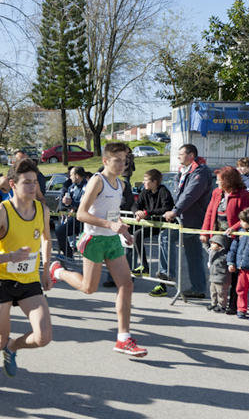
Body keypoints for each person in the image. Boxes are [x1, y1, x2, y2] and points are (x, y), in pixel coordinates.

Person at [48, 142, 147, 357]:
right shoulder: (97, 181)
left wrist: (123, 231)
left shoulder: (121, 184)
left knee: (126, 284)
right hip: (93, 240)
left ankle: (123, 338)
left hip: (112, 241)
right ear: (105, 161)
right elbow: (81, 214)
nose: (121, 165)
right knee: (89, 288)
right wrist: (110, 225)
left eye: (124, 161)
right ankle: (58, 271)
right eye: (117, 160)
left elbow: (112, 213)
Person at [0, 159, 53, 399]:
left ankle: (13, 346)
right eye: (26, 182)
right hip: (2, 281)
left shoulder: (42, 210)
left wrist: (45, 269)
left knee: (43, 337)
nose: (32, 187)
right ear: (12, 185)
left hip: (29, 281)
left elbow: (46, 239)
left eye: (35, 182)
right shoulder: (2, 212)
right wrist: (10, 257)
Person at [190, 166, 249, 309]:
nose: (217, 183)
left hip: (236, 237)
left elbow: (247, 216)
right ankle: (218, 301)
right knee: (218, 268)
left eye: (220, 180)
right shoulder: (217, 193)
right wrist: (205, 232)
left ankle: (234, 304)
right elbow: (209, 212)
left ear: (229, 180)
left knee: (234, 269)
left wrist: (234, 228)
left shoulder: (244, 195)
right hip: (218, 235)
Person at [159, 144, 212, 300]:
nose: (178, 157)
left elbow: (190, 194)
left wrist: (175, 211)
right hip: (185, 218)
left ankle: (168, 272)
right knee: (193, 254)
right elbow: (178, 194)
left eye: (181, 154)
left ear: (191, 155)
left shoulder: (200, 172)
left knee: (167, 237)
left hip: (193, 219)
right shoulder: (183, 171)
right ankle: (198, 288)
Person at [131, 169, 173, 277]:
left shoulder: (163, 191)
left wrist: (147, 212)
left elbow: (166, 208)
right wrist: (137, 212)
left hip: (165, 226)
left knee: (163, 248)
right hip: (153, 225)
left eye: (146, 180)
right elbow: (135, 205)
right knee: (137, 235)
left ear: (154, 182)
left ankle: (163, 282)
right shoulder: (145, 192)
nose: (143, 182)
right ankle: (144, 266)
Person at [55, 166, 87, 260]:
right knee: (60, 231)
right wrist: (65, 203)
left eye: (71, 175)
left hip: (87, 219)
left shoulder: (87, 187)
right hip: (75, 218)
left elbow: (85, 204)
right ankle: (68, 255)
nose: (70, 177)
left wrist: (72, 203)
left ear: (77, 176)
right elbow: (67, 203)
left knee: (86, 240)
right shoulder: (72, 187)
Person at [206, 234, 230, 312]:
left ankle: (222, 305)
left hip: (221, 278)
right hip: (213, 277)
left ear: (220, 246)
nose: (211, 245)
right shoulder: (212, 252)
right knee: (213, 291)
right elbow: (206, 248)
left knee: (221, 292)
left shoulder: (225, 255)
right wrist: (204, 242)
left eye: (214, 243)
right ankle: (214, 303)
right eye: (211, 243)